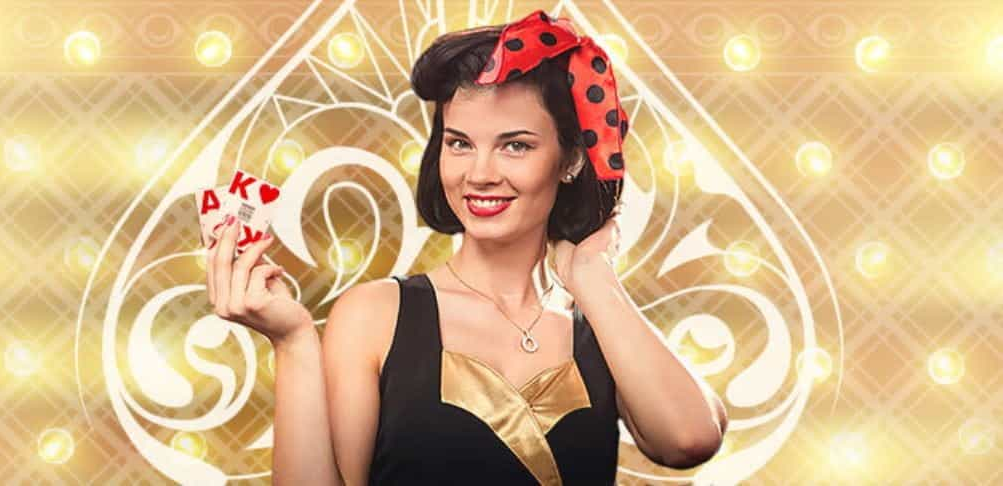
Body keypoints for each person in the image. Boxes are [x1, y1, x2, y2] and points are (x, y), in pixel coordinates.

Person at [205, 10, 727, 485]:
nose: (479, 175)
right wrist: (294, 342)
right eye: (460, 143)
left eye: (515, 145)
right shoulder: (376, 315)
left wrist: (592, 276)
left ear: (570, 159)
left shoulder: (604, 330)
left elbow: (688, 440)